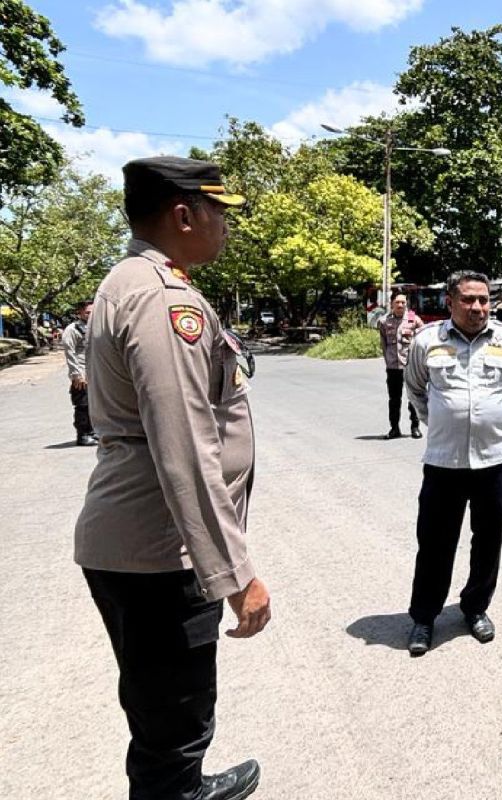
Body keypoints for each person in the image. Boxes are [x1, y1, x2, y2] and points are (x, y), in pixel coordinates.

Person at [75, 156, 271, 800]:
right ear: (184, 214)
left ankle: (182, 783)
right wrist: (235, 574)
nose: (226, 226)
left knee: (163, 715)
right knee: (175, 720)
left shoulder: (131, 279)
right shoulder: (164, 299)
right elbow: (184, 448)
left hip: (140, 544)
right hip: (160, 554)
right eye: (221, 212)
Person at [404, 270, 502, 655]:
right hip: (444, 461)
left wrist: (487, 419)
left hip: (495, 459)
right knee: (435, 542)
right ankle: (424, 617)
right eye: (469, 300)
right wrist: (445, 421)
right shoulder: (427, 341)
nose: (478, 307)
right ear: (451, 302)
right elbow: (416, 388)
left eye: (484, 300)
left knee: (488, 541)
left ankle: (475, 608)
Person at [379, 292, 424, 439]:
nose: (400, 305)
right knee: (394, 399)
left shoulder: (414, 320)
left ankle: (415, 427)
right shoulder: (384, 321)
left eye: (403, 303)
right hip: (393, 367)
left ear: (406, 304)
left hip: (410, 366)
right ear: (392, 303)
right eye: (397, 302)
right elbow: (384, 343)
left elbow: (422, 341)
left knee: (413, 398)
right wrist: (388, 360)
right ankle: (394, 428)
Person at [62, 300, 96, 446]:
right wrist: (76, 374)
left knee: (96, 405)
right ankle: (83, 435)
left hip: (95, 372)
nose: (91, 314)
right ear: (80, 313)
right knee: (83, 405)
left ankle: (94, 431)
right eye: (87, 312)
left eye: (93, 311)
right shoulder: (72, 329)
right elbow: (70, 353)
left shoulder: (96, 326)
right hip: (82, 373)